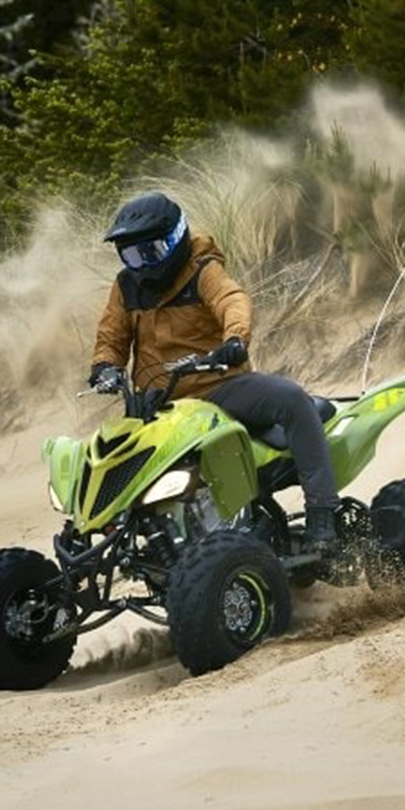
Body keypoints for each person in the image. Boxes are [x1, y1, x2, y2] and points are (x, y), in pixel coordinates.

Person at [89, 191, 341, 547]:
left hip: (217, 387)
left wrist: (234, 341)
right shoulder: (126, 286)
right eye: (131, 254)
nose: (143, 264)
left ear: (175, 240)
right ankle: (103, 533)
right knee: (108, 455)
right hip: (156, 405)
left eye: (152, 252)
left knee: (293, 400)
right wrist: (104, 367)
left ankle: (322, 516)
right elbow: (112, 335)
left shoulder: (203, 270)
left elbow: (231, 300)